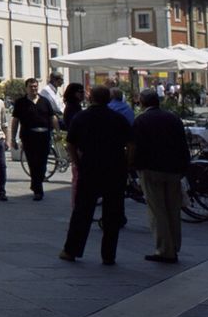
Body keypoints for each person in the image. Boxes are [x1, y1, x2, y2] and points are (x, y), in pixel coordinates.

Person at [59, 86, 133, 265]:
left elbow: (70, 144)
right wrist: (127, 164)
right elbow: (132, 144)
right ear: (108, 100)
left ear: (91, 98)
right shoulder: (118, 118)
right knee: (112, 213)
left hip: (89, 167)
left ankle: (71, 250)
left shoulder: (81, 117)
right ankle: (108, 255)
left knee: (82, 211)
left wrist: (77, 162)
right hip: (115, 168)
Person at [131, 88, 190, 264]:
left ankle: (165, 250)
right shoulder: (173, 118)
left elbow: (136, 146)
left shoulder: (141, 120)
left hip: (151, 169)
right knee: (173, 209)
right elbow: (183, 143)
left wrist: (133, 167)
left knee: (157, 210)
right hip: (173, 169)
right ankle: (175, 246)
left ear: (142, 102)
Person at [11, 77, 57, 200]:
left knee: (42, 163)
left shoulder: (45, 101)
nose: (34, 89)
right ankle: (38, 190)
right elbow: (15, 121)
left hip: (44, 136)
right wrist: (13, 138)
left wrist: (57, 131)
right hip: (28, 137)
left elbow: (52, 117)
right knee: (33, 162)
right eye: (31, 87)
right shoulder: (21, 102)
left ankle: (36, 182)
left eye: (35, 86)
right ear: (26, 88)